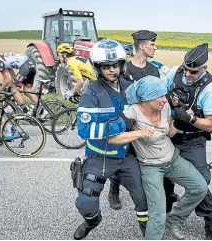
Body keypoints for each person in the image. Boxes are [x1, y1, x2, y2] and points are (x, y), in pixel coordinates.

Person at [108, 75, 208, 240]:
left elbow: (168, 132)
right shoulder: (132, 113)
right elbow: (111, 138)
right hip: (151, 166)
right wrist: (138, 133)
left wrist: (180, 121)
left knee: (200, 188)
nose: (165, 99)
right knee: (158, 212)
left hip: (172, 159)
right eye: (159, 96)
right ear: (146, 99)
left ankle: (174, 219)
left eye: (164, 95)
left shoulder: (165, 107)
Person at [74, 39, 148, 240]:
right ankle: (92, 221)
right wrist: (120, 123)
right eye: (106, 66)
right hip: (99, 156)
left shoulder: (130, 87)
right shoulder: (91, 94)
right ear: (97, 67)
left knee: (144, 198)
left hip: (126, 155)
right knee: (85, 203)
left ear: (122, 65)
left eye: (115, 65)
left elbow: (147, 106)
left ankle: (148, 234)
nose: (112, 70)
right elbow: (84, 130)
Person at [109, 29, 179, 214]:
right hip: (131, 121)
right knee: (124, 157)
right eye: (152, 44)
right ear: (142, 46)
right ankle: (114, 188)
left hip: (149, 122)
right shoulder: (124, 70)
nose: (155, 47)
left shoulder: (153, 70)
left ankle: (159, 198)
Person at [163, 43, 212, 239]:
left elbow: (211, 125)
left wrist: (190, 118)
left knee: (200, 181)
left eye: (193, 72)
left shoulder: (209, 88)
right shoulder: (175, 74)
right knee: (163, 177)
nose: (187, 75)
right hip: (170, 135)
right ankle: (166, 213)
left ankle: (209, 220)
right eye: (186, 69)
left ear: (203, 69)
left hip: (193, 140)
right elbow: (160, 97)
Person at [0, 48, 37, 114]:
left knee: (13, 89)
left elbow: (7, 79)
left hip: (25, 68)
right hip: (31, 67)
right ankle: (41, 110)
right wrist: (8, 85)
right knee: (27, 91)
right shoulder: (2, 59)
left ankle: (24, 111)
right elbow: (12, 76)